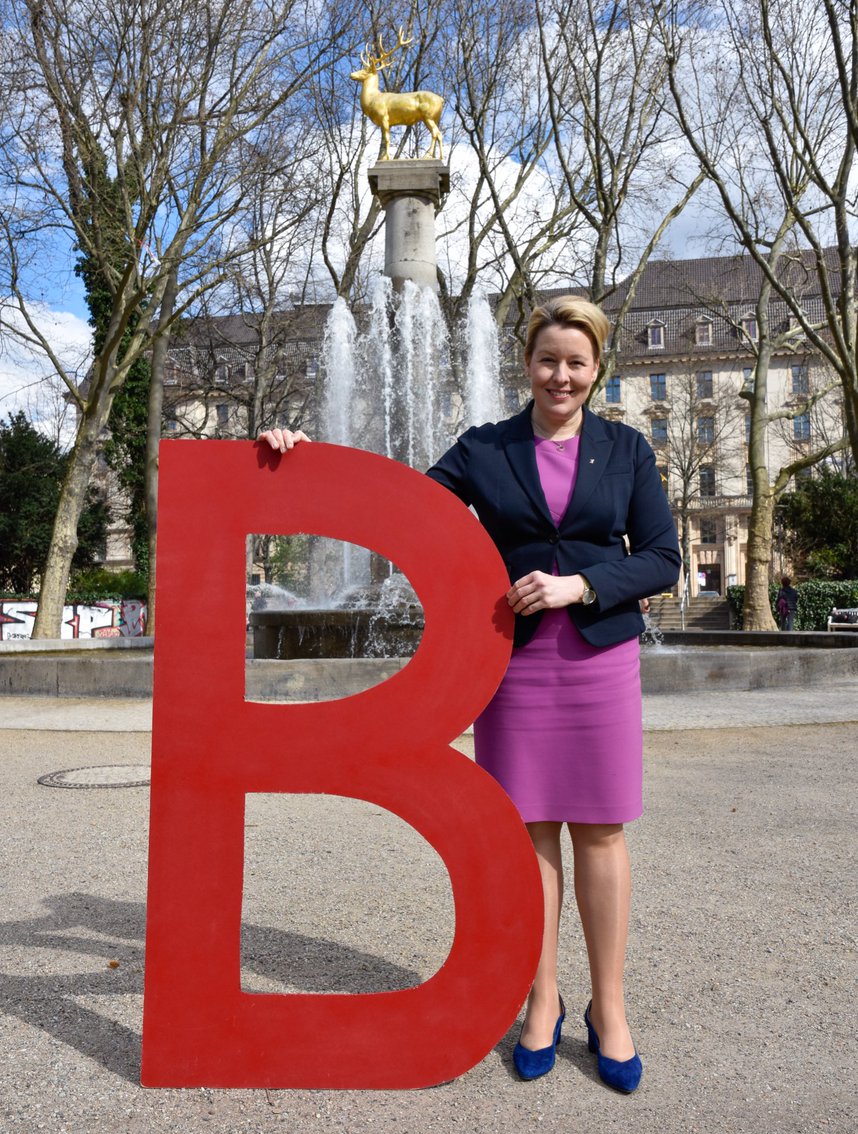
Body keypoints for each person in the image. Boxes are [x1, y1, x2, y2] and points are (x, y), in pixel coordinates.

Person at [259, 296, 681, 1093]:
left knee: (598, 830)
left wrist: (580, 584)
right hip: (513, 665)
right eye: (549, 359)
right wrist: (301, 458)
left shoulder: (626, 450)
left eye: (577, 363)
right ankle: (544, 999)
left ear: (597, 369)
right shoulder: (485, 448)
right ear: (527, 362)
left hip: (595, 661)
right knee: (527, 833)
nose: (562, 375)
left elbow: (662, 557)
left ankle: (611, 1008)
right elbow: (395, 508)